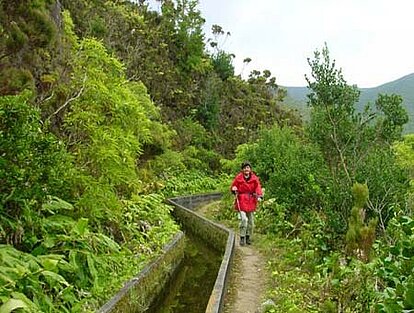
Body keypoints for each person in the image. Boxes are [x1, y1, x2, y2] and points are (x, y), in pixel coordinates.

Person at [230, 161, 263, 246]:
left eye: (248, 168)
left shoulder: (254, 178)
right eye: (245, 168)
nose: (246, 169)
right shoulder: (239, 178)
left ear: (250, 169)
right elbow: (233, 186)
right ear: (242, 169)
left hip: (251, 201)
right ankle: (242, 237)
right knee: (244, 219)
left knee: (251, 222)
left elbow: (258, 187)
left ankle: (248, 237)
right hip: (241, 201)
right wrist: (234, 189)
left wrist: (259, 195)